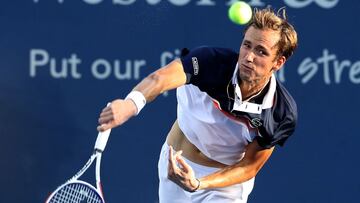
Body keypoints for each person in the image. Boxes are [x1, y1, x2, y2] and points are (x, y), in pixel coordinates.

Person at [97, 7, 298, 203]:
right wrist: (131, 104)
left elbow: (249, 167)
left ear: (278, 62)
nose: (249, 57)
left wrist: (198, 183)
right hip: (173, 168)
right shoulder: (210, 63)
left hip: (223, 188)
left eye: (261, 51)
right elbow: (160, 79)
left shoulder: (279, 112)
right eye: (246, 45)